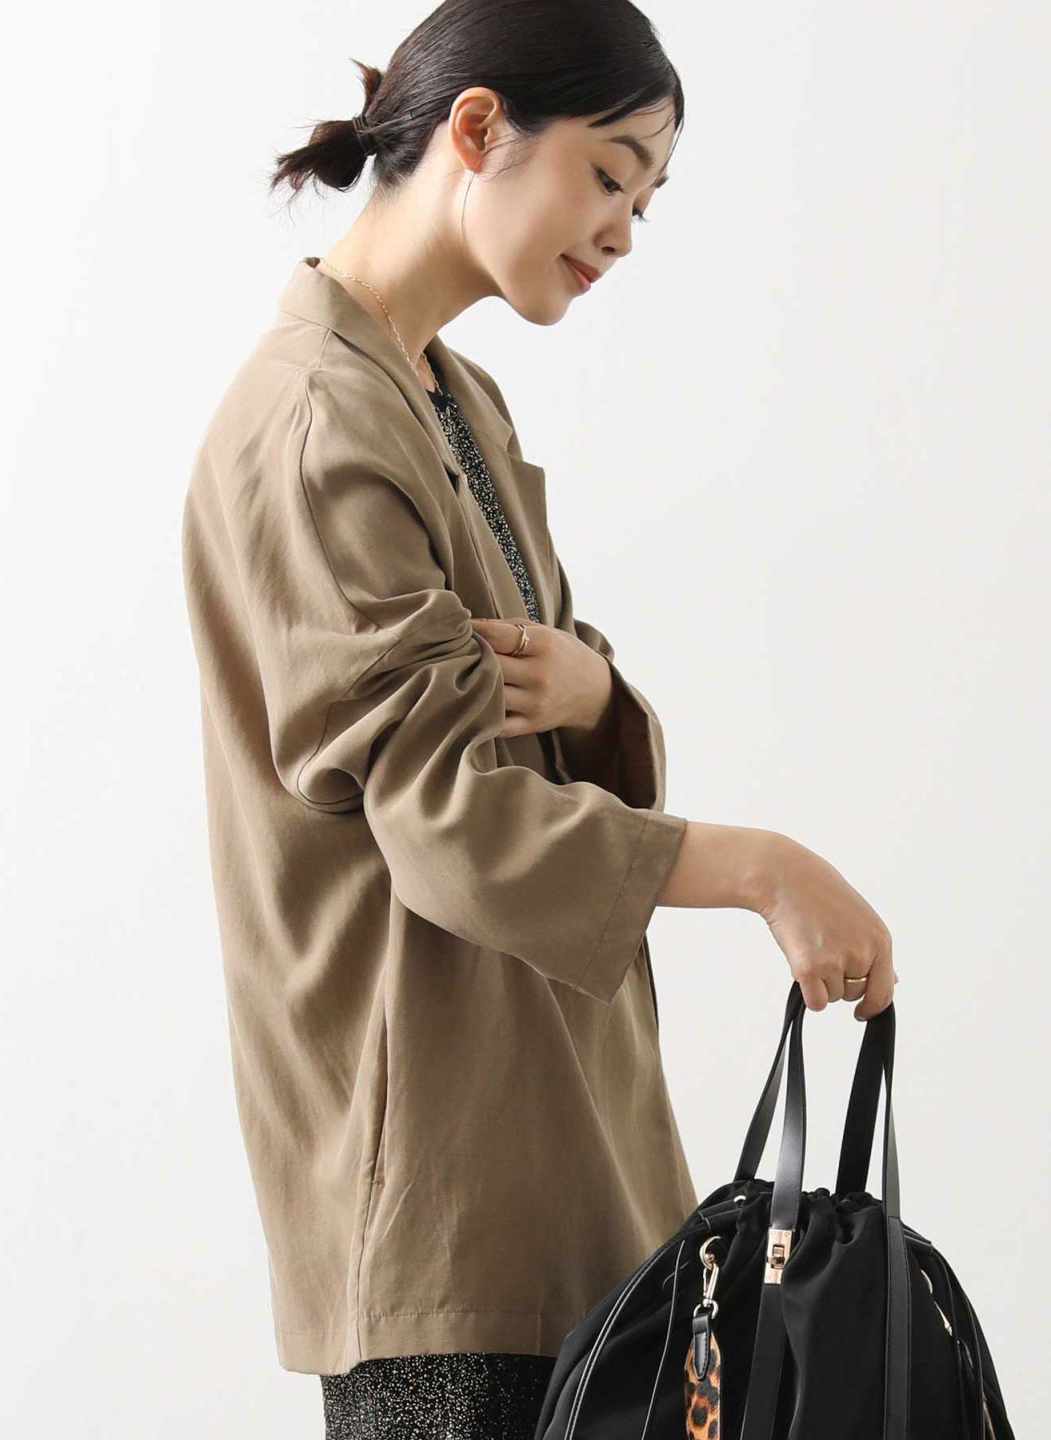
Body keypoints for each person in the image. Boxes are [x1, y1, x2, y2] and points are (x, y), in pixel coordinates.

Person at [180, 3, 897, 1435]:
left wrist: (599, 693)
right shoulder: (321, 426)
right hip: (447, 1225)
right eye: (609, 175)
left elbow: (535, 715)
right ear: (478, 129)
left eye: (646, 200)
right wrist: (758, 868)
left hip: (572, 1176)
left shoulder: (451, 397)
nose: (623, 231)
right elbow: (454, 825)